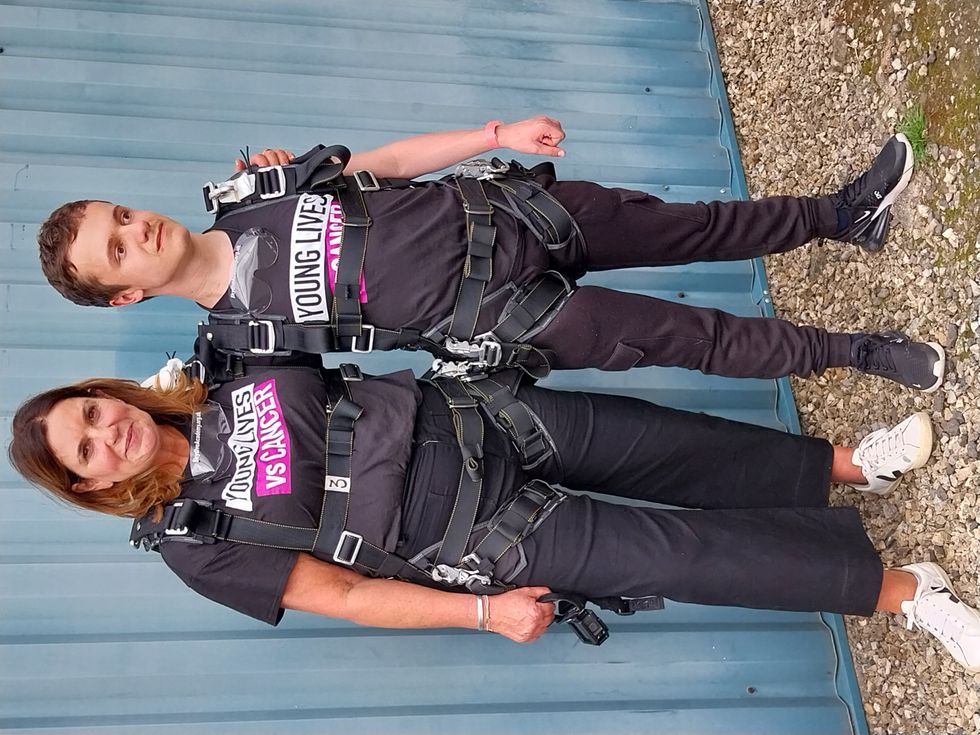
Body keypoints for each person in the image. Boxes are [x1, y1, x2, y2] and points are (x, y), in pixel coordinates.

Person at [8, 356, 980, 671]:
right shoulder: (194, 544)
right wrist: (482, 612)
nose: (107, 435)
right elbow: (344, 596)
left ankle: (854, 467)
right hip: (477, 532)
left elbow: (312, 280)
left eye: (92, 412)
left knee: (677, 443)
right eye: (85, 452)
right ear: (89, 487)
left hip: (486, 419)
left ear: (109, 393)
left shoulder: (214, 370)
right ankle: (905, 596)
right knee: (684, 555)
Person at [36, 116, 944, 390]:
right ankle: (858, 353)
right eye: (116, 249)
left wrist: (491, 133)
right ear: (123, 295)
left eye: (120, 214)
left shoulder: (259, 189)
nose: (137, 229)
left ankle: (843, 213)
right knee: (695, 338)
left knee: (692, 227)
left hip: (516, 213)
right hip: (511, 320)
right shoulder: (242, 346)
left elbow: (380, 165)